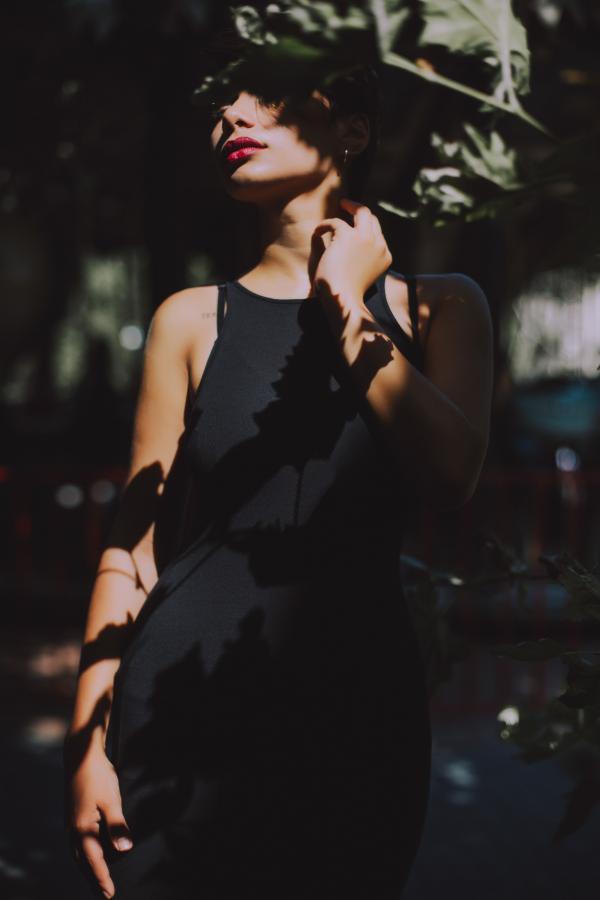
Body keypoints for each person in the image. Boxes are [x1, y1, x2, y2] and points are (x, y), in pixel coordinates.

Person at [63, 66, 494, 900]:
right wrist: (84, 743)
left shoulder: (444, 309)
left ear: (353, 133)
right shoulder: (189, 319)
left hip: (359, 705)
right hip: (182, 701)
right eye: (222, 103)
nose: (230, 113)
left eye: (264, 94)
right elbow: (134, 545)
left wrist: (342, 302)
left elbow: (452, 475)